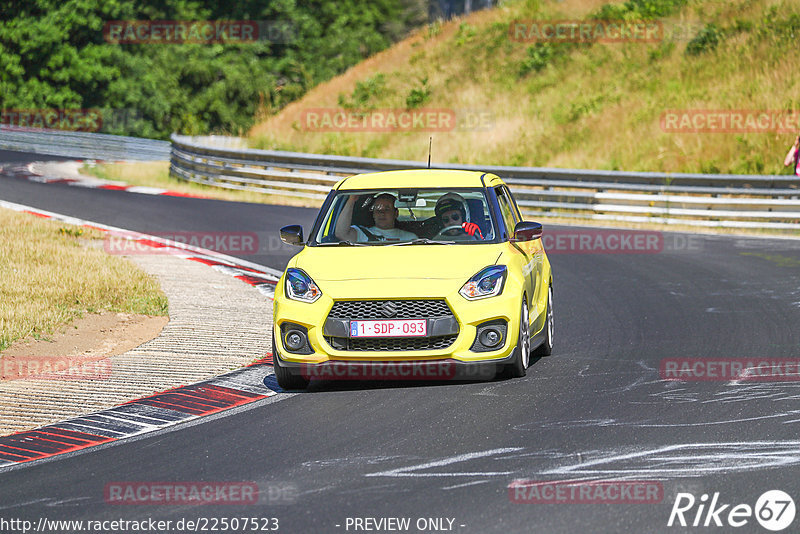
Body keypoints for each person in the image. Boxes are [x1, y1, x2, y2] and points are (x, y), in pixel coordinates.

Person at [334, 192, 417, 242]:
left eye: (387, 209)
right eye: (377, 209)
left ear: (396, 213)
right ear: (373, 214)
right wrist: (351, 200)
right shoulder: (361, 233)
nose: (382, 213)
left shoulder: (410, 239)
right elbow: (341, 233)